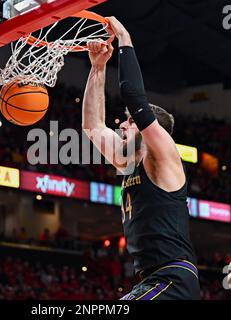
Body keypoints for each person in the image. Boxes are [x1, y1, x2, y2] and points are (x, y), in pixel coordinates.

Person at [82, 17, 199, 300]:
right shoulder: (128, 160)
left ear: (150, 130)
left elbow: (133, 94)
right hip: (151, 278)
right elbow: (93, 127)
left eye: (130, 121)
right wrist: (97, 67)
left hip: (174, 276)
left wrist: (124, 37)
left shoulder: (163, 156)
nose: (121, 125)